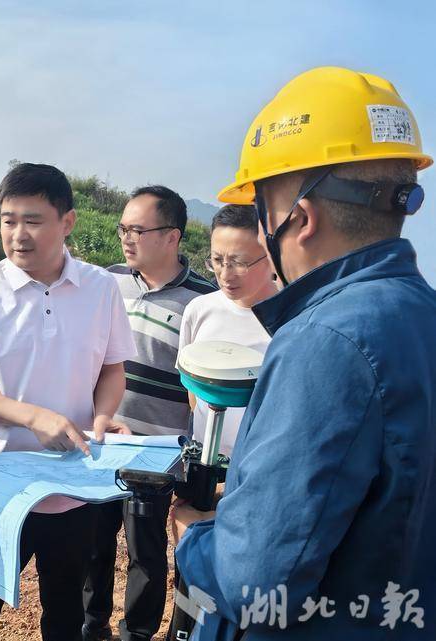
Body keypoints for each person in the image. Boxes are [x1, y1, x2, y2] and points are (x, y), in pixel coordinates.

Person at [173, 66, 436, 640]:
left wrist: (195, 539)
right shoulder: (421, 316)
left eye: (260, 210)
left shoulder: (325, 340)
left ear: (301, 217)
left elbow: (254, 581)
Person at [0, 163, 136, 641]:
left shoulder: (100, 289)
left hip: (72, 482)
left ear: (67, 222)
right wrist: (33, 417)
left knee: (66, 612)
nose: (17, 234)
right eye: (8, 220)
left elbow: (112, 369)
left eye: (32, 221)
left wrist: (103, 416)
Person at [82, 186, 216, 641]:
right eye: (123, 228)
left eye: (137, 230)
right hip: (102, 439)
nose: (126, 237)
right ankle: (92, 626)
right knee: (94, 542)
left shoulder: (202, 301)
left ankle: (136, 633)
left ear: (172, 236)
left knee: (146, 549)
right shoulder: (108, 282)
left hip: (156, 450)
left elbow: (200, 387)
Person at [178, 204, 277, 456]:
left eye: (238, 262)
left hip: (256, 464)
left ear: (270, 254)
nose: (225, 274)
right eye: (217, 260)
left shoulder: (290, 320)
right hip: (202, 458)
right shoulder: (199, 310)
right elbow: (194, 391)